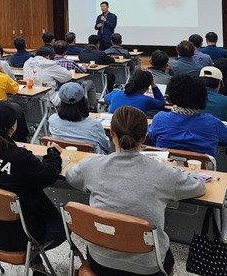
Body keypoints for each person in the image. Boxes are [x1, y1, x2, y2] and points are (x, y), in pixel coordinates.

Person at [67, 106, 206, 276]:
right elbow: (199, 186)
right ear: (145, 136)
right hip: (147, 268)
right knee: (166, 252)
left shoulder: (92, 165)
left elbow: (71, 176)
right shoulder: (164, 173)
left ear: (111, 133)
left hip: (100, 260)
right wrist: (173, 168)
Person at [0, 101, 65, 276]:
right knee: (64, 225)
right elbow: (49, 175)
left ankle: (36, 263)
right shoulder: (19, 157)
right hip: (19, 238)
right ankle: (33, 255)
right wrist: (53, 154)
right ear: (14, 126)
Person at [148, 74, 227, 157]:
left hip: (166, 169)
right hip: (203, 171)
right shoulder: (212, 123)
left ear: (171, 95)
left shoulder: (160, 119)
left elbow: (151, 135)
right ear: (202, 96)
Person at [48, 82, 109, 154]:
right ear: (84, 101)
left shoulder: (53, 120)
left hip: (63, 157)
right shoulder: (94, 124)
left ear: (61, 101)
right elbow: (106, 145)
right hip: (90, 159)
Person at [53, 40, 94, 107]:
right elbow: (82, 71)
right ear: (66, 51)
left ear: (53, 51)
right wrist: (84, 66)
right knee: (90, 82)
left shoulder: (51, 63)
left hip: (57, 89)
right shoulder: (70, 62)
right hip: (73, 89)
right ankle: (92, 106)